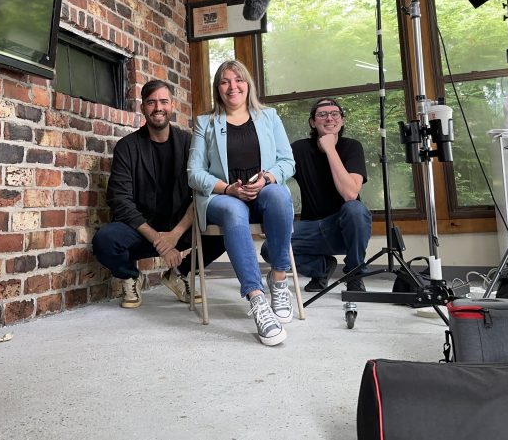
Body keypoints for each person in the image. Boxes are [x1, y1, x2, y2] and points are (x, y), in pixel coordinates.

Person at [187, 60, 296, 346]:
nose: (232, 86)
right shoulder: (205, 122)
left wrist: (268, 178)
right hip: (221, 197)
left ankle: (279, 278)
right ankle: (257, 300)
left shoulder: (269, 117)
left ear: (248, 84)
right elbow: (194, 173)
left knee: (280, 195)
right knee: (235, 211)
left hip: (263, 193)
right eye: (225, 81)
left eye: (238, 80)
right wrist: (228, 189)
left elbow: (288, 161)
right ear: (217, 88)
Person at [94, 79, 224, 308]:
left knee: (225, 228)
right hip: (141, 230)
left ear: (171, 105)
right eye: (151, 102)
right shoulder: (127, 147)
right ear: (143, 107)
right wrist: (158, 239)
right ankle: (130, 276)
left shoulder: (190, 144)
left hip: (181, 227)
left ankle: (179, 273)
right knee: (105, 240)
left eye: (163, 101)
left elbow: (202, 193)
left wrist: (174, 235)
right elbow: (119, 201)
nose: (158, 108)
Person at [285, 97, 372, 293]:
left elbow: (350, 193)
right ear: (312, 122)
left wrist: (330, 149)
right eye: (322, 114)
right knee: (270, 248)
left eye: (335, 114)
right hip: (312, 228)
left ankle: (354, 272)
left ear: (342, 120)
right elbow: (277, 174)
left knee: (355, 209)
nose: (329, 118)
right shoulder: (298, 149)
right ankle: (321, 268)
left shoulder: (352, 146)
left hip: (343, 228)